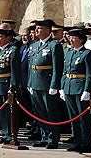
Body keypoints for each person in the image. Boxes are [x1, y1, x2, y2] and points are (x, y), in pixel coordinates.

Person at [27, 18, 64, 149]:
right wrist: (29, 83)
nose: (36, 30)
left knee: (51, 112)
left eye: (40, 28)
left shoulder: (54, 45)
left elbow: (57, 67)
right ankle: (44, 136)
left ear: (48, 30)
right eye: (36, 28)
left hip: (47, 83)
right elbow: (31, 66)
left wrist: (54, 85)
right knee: (39, 112)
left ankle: (53, 138)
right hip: (36, 82)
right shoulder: (34, 46)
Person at [61, 28, 91, 153]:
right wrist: (62, 87)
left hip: (80, 87)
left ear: (81, 40)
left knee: (83, 118)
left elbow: (90, 74)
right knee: (73, 117)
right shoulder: (69, 53)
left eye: (74, 38)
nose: (71, 40)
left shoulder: (87, 54)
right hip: (69, 87)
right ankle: (77, 141)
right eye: (70, 38)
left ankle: (87, 143)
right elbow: (65, 71)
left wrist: (87, 90)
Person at [0, 27, 21, 145]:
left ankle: (11, 134)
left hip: (6, 84)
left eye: (0, 37)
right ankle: (4, 133)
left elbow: (15, 70)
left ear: (8, 38)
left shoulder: (12, 50)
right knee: (0, 111)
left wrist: (13, 86)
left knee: (9, 112)